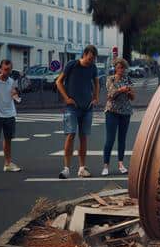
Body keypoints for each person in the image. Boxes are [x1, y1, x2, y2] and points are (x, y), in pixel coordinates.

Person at [55, 45, 100, 179]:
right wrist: (66, 98)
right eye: (90, 58)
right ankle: (66, 169)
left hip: (87, 107)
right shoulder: (72, 65)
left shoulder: (93, 68)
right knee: (70, 135)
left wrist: (96, 98)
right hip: (72, 107)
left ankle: (82, 168)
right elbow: (58, 82)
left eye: (94, 59)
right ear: (84, 54)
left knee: (84, 137)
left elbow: (97, 83)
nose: (91, 61)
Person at [0, 59, 22, 174]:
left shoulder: (11, 81)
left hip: (10, 114)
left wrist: (16, 97)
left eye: (10, 69)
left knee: (8, 140)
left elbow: (14, 93)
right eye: (5, 69)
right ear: (0, 69)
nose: (8, 72)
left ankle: (7, 163)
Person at [102, 58, 135, 176]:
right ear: (115, 68)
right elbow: (110, 96)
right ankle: (106, 166)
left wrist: (129, 92)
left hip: (125, 112)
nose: (121, 70)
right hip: (112, 111)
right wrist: (121, 90)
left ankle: (121, 164)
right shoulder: (110, 79)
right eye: (119, 67)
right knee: (110, 139)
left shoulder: (128, 79)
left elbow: (132, 97)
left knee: (122, 139)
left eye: (123, 68)